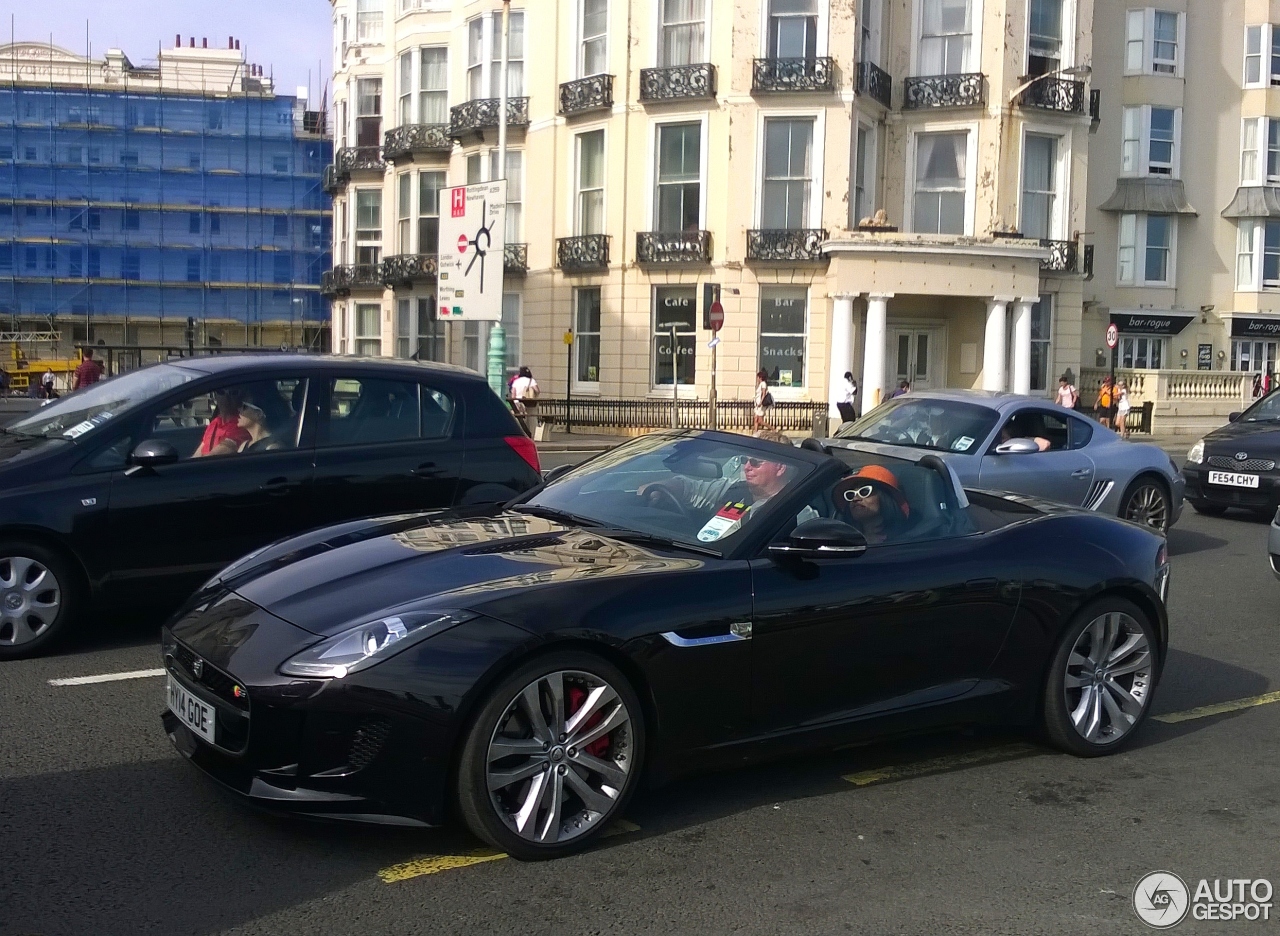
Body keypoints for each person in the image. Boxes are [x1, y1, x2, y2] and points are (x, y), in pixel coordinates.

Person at [834, 465, 910, 546]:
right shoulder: (842, 540)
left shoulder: (902, 543)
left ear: (885, 497)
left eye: (864, 491)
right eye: (850, 495)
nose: (855, 499)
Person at [193, 388, 251, 457]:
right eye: (221, 392)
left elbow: (219, 452)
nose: (226, 397)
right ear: (216, 396)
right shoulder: (214, 423)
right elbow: (199, 452)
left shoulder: (241, 424)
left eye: (233, 392)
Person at [510, 365, 539, 435]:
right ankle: (532, 433)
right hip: (530, 402)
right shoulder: (531, 381)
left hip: (518, 402)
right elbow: (537, 391)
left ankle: (521, 433)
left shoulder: (516, 381)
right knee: (532, 418)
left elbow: (513, 394)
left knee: (520, 418)